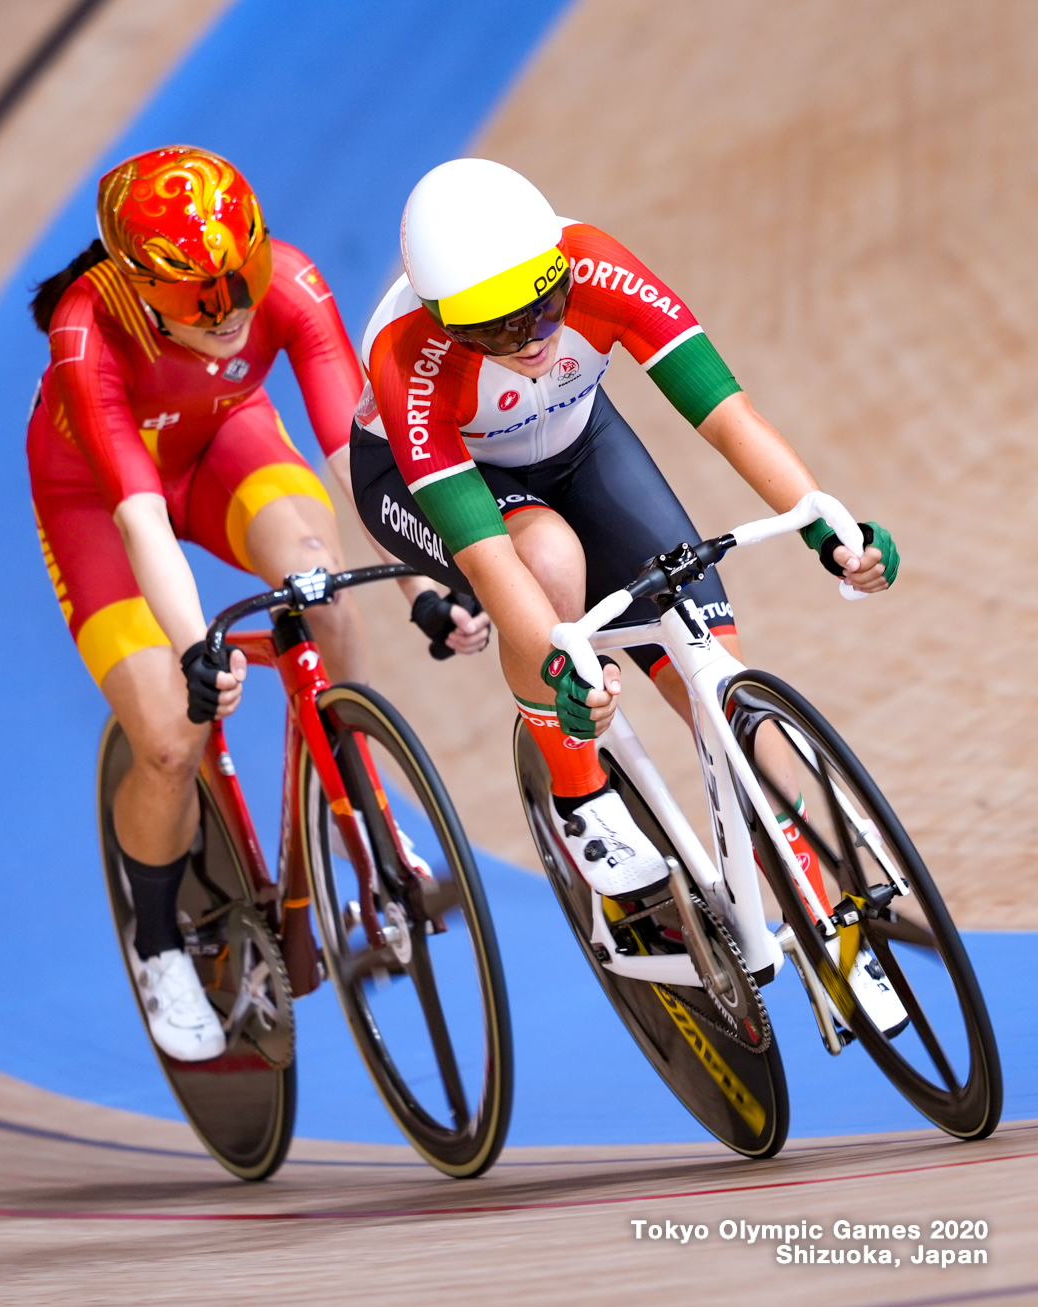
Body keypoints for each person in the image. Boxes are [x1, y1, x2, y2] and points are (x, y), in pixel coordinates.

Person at [27, 146, 489, 1063]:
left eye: (240, 276)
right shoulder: (88, 335)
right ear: (137, 287)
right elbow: (139, 515)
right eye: (201, 299)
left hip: (227, 446)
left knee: (322, 590)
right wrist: (197, 643)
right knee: (167, 735)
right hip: (102, 503)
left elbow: (354, 457)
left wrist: (420, 583)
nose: (233, 308)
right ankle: (159, 944)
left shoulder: (290, 283)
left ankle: (361, 816)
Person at [349, 156, 898, 911]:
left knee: (722, 685)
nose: (533, 338)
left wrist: (822, 519)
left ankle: (824, 911)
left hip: (578, 445)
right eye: (497, 328)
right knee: (545, 561)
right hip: (434, 480)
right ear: (444, 318)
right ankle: (581, 799)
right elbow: (487, 555)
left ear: (559, 267)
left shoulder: (598, 265)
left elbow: (730, 416)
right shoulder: (409, 357)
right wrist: (559, 664)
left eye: (545, 308)